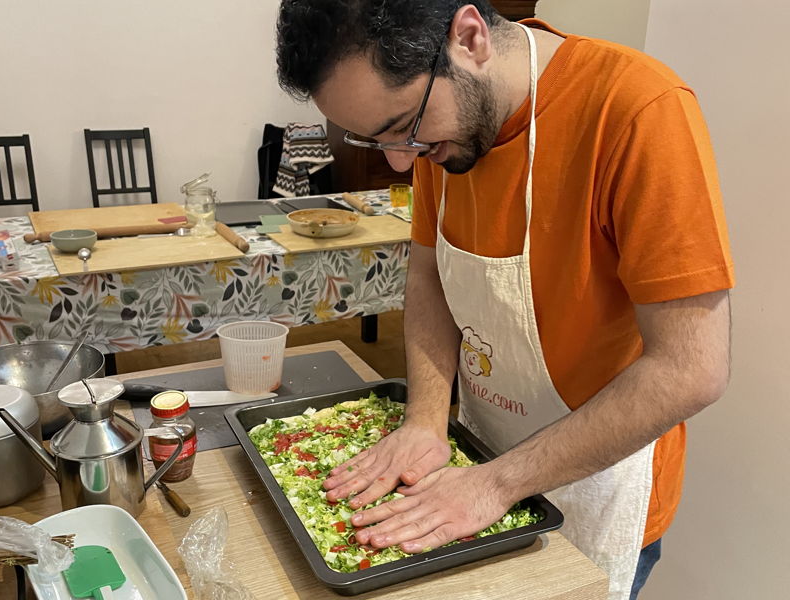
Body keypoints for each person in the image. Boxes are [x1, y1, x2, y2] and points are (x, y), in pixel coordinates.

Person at [275, 2, 734, 598]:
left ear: (469, 39)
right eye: (373, 138)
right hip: (475, 456)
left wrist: (496, 485)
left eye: (402, 127)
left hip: (594, 483)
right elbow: (430, 278)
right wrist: (425, 420)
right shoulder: (439, 132)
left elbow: (691, 369)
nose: (398, 160)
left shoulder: (636, 109)